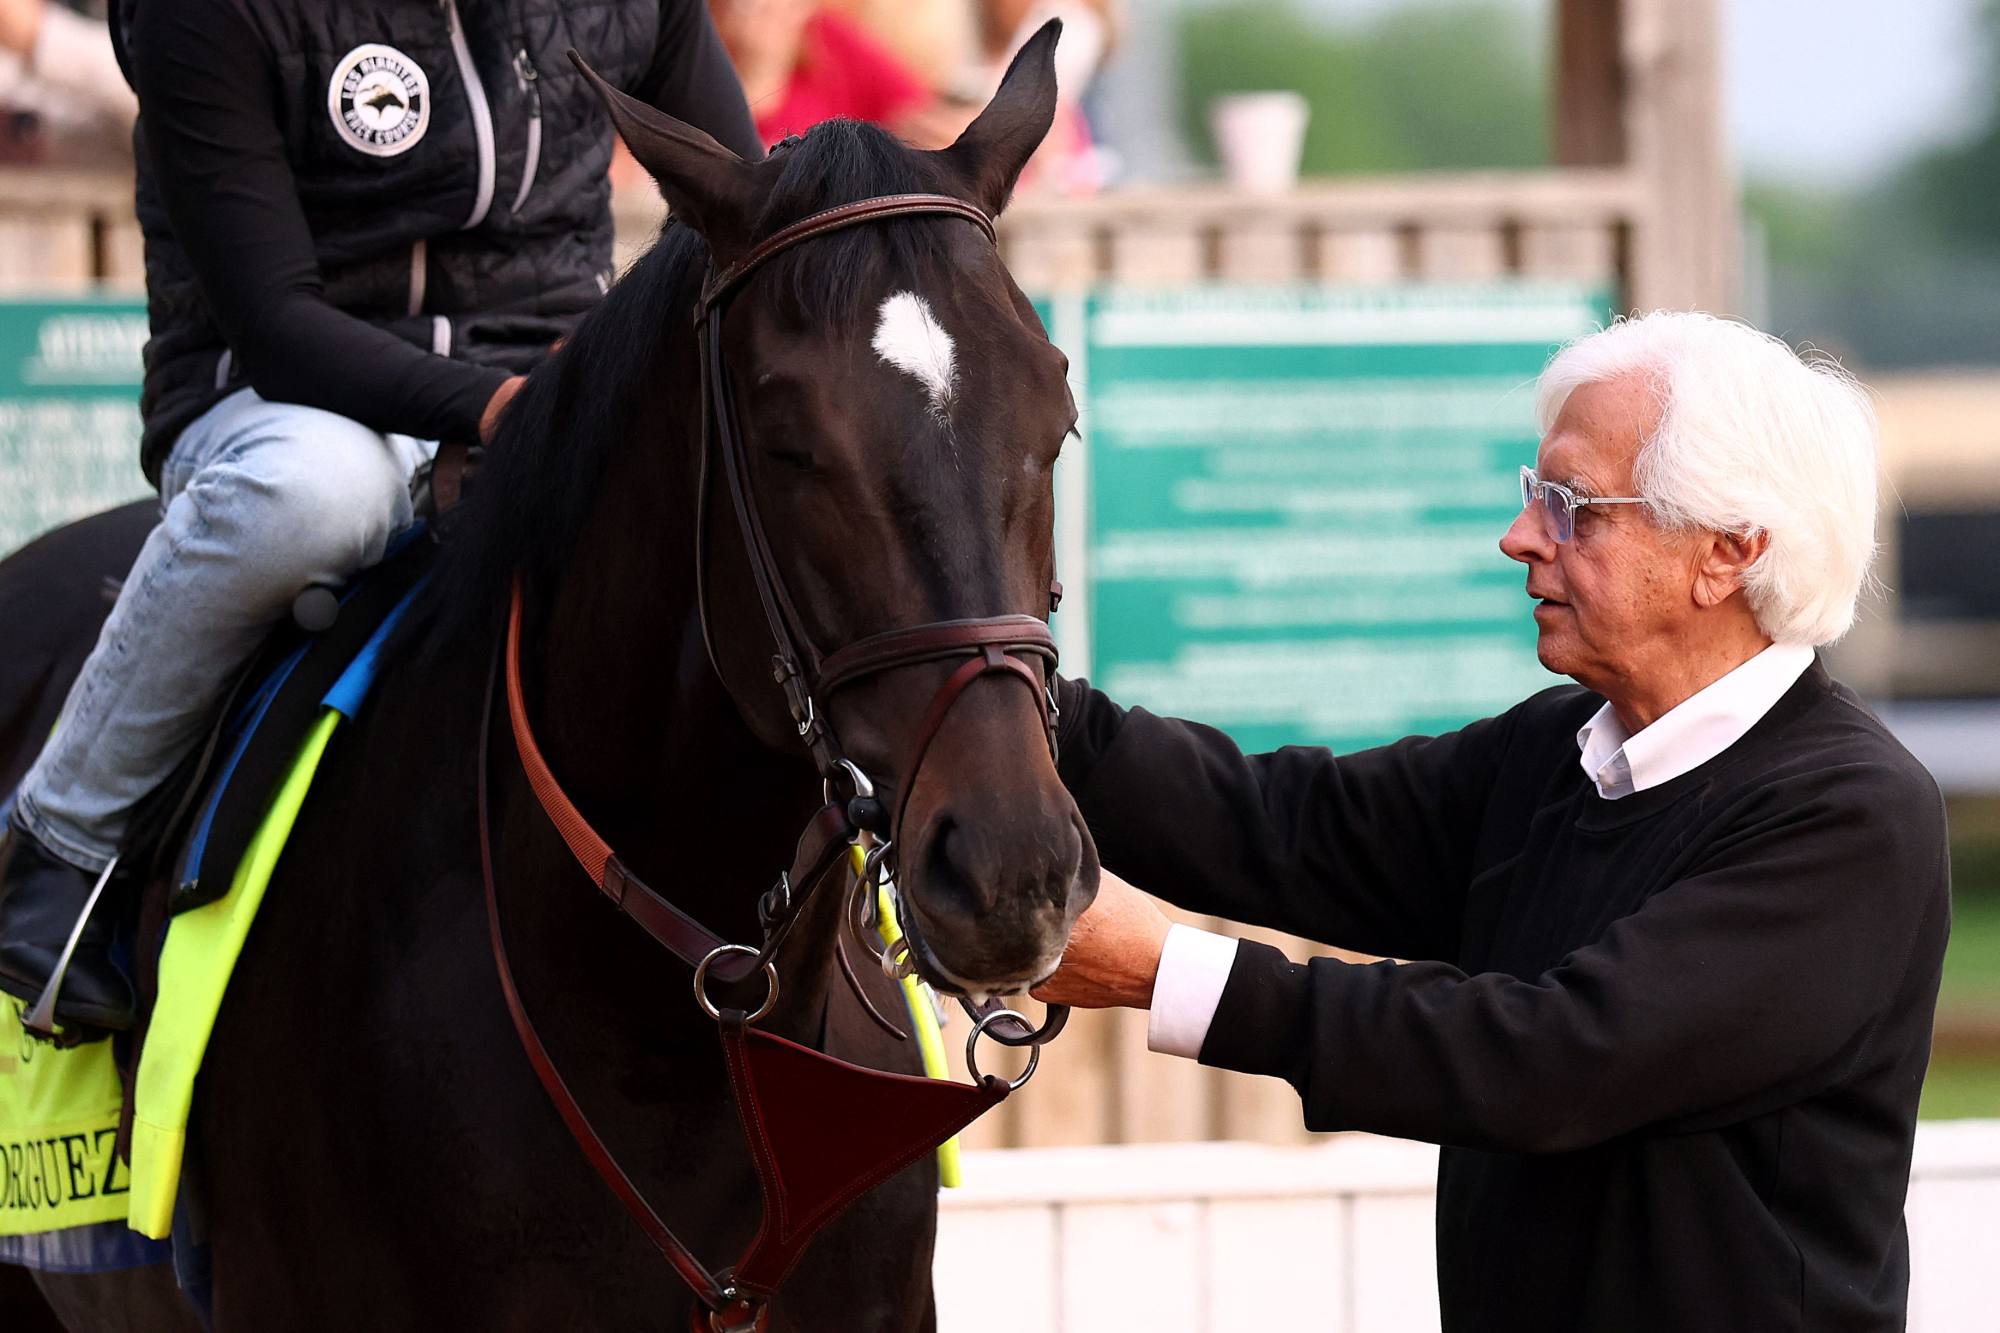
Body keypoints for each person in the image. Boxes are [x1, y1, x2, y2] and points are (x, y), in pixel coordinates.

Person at [1036, 311, 1949, 1330]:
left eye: (1572, 507)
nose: (1520, 537)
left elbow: (1551, 1061)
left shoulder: (1847, 817)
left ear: (1725, 554)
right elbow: (1277, 825)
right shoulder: (1562, 751)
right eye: (1533, 496)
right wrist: (995, 687)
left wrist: (1168, 975)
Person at [0, 0, 762, 1038]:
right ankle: (58, 850)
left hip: (543, 383)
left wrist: (625, 369)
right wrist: (499, 409)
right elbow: (275, 324)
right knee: (318, 498)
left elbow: (740, 211)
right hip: (285, 404)